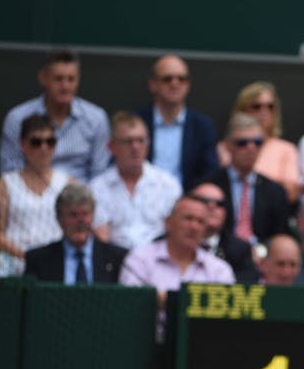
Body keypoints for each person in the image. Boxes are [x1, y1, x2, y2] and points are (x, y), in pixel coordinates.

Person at [119, 196, 234, 341]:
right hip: (146, 345)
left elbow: (225, 317)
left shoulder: (219, 269)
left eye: (200, 222)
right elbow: (130, 305)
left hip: (202, 347)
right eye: (188, 218)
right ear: (168, 222)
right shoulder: (140, 259)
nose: (194, 227)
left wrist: (163, 300)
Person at [0, 49, 110, 182]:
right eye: (58, 79)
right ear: (43, 78)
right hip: (31, 196)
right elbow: (10, 172)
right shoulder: (17, 118)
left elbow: (100, 176)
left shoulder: (96, 118)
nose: (65, 86)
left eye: (71, 79)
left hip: (79, 197)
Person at [89, 111, 182, 250]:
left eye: (141, 140)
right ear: (111, 147)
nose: (136, 147)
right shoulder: (96, 188)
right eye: (128, 141)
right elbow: (102, 238)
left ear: (148, 145)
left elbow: (176, 232)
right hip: (114, 263)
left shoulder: (169, 185)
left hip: (160, 263)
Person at [0, 114, 72, 274]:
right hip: (13, 264)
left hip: (56, 266)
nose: (44, 148)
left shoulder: (68, 184)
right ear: (23, 145)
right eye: (36, 142)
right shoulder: (6, 183)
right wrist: (29, 258)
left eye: (50, 142)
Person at [202, 112, 292, 248]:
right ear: (227, 145)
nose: (251, 148)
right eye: (242, 143)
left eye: (257, 142)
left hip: (263, 260)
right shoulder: (209, 186)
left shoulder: (275, 191)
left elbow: (280, 235)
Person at [135, 54, 219, 190]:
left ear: (188, 85)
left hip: (188, 203)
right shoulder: (138, 122)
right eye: (167, 79)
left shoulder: (203, 126)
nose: (175, 84)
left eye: (182, 79)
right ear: (153, 84)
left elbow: (209, 174)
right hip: (142, 197)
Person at [24, 182, 128, 284]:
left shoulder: (116, 258)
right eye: (73, 215)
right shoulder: (38, 260)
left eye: (85, 214)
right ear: (59, 219)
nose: (80, 221)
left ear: (93, 217)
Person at [217, 81, 301, 204]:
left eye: (270, 107)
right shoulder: (226, 146)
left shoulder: (286, 149)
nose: (264, 111)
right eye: (257, 106)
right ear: (243, 110)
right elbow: (225, 185)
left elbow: (290, 193)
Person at [189, 181, 260, 284]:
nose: (212, 207)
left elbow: (247, 287)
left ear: (226, 212)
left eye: (219, 204)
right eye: (204, 201)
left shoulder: (241, 250)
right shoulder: (170, 243)